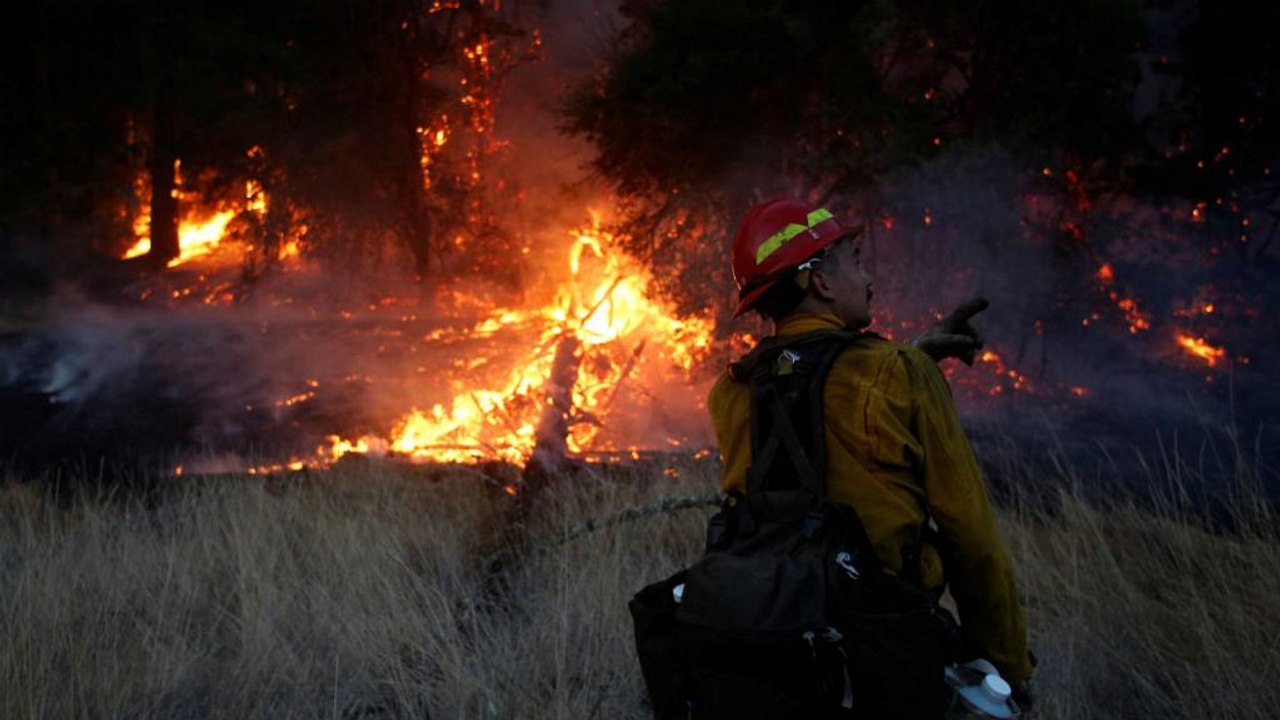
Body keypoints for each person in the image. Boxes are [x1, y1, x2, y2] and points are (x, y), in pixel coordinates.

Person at [707, 198, 1035, 709]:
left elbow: (811, 399)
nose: (868, 277)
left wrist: (909, 359)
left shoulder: (730, 393)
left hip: (767, 649)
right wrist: (1007, 667)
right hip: (884, 654)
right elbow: (973, 539)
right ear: (821, 282)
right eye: (856, 259)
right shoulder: (898, 376)